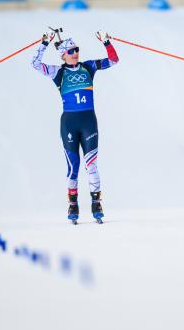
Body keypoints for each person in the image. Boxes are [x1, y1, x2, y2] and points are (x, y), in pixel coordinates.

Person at [31, 30, 119, 224]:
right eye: (71, 51)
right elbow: (35, 64)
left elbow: (113, 60)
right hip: (69, 124)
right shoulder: (58, 72)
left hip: (88, 121)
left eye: (77, 49)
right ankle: (73, 204)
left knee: (92, 165)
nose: (75, 53)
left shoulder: (89, 67)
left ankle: (96, 204)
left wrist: (106, 42)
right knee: (73, 167)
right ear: (63, 55)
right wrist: (44, 44)